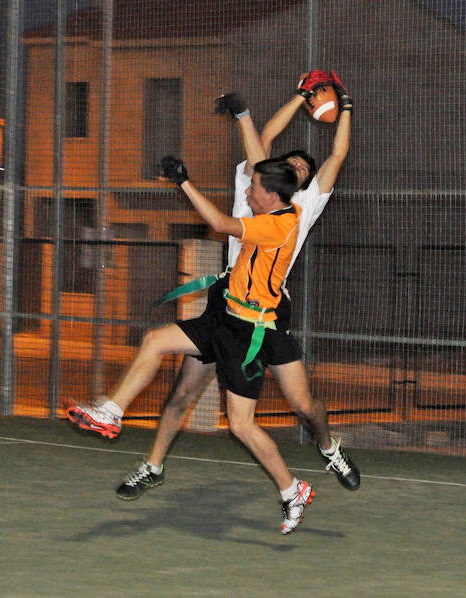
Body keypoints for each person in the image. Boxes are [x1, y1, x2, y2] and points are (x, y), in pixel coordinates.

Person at [107, 73, 359, 502]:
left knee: (303, 406)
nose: (297, 167)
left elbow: (338, 151)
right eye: (291, 163)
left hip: (267, 314)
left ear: (309, 180)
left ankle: (328, 447)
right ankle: (152, 467)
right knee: (183, 392)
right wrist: (299, 97)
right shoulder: (257, 184)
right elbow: (262, 135)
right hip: (226, 303)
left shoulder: (305, 204)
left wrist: (345, 104)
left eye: (304, 167)